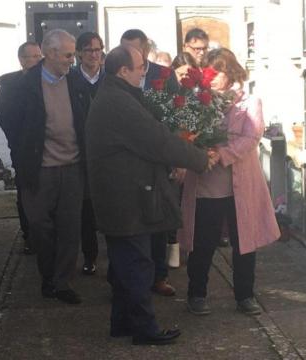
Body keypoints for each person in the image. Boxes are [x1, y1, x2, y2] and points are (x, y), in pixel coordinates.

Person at [85, 44, 213, 345]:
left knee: (123, 265)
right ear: (123, 71)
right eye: (140, 66)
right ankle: (144, 329)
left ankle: (122, 323)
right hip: (126, 200)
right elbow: (157, 141)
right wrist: (198, 158)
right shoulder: (118, 102)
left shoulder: (115, 95)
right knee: (137, 266)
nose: (145, 71)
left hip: (120, 196)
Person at [178, 48, 280, 316]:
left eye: (218, 71)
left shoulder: (249, 102)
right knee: (203, 242)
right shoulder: (199, 99)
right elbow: (187, 131)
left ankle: (245, 295)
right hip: (207, 184)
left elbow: (251, 137)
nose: (212, 77)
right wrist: (196, 148)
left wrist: (219, 154)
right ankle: (196, 294)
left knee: (244, 242)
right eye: (209, 71)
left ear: (231, 72)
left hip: (241, 185)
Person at [13, 29, 89, 305]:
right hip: (40, 169)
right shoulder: (25, 85)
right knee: (40, 227)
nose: (73, 59)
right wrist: (24, 155)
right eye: (68, 55)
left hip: (72, 167)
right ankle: (48, 276)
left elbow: (85, 119)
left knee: (70, 228)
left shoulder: (76, 82)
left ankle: (62, 282)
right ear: (51, 53)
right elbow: (12, 123)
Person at [120, 29, 179, 296]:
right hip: (130, 161)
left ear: (144, 50)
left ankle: (159, 276)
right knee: (131, 222)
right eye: (124, 49)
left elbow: (179, 113)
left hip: (159, 158)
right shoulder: (118, 74)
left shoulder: (163, 75)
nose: (128, 55)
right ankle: (129, 278)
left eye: (133, 49)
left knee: (159, 220)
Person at [0, 41, 42, 255]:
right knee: (26, 192)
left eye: (39, 55)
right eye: (32, 56)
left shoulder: (48, 81)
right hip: (22, 150)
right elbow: (5, 118)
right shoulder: (9, 87)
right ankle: (29, 235)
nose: (37, 60)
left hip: (48, 149)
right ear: (22, 60)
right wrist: (20, 142)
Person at [69, 31, 105, 275]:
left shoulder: (111, 79)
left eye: (98, 49)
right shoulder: (70, 81)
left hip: (108, 154)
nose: (95, 54)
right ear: (79, 53)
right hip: (80, 153)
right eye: (90, 50)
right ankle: (90, 256)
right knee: (86, 208)